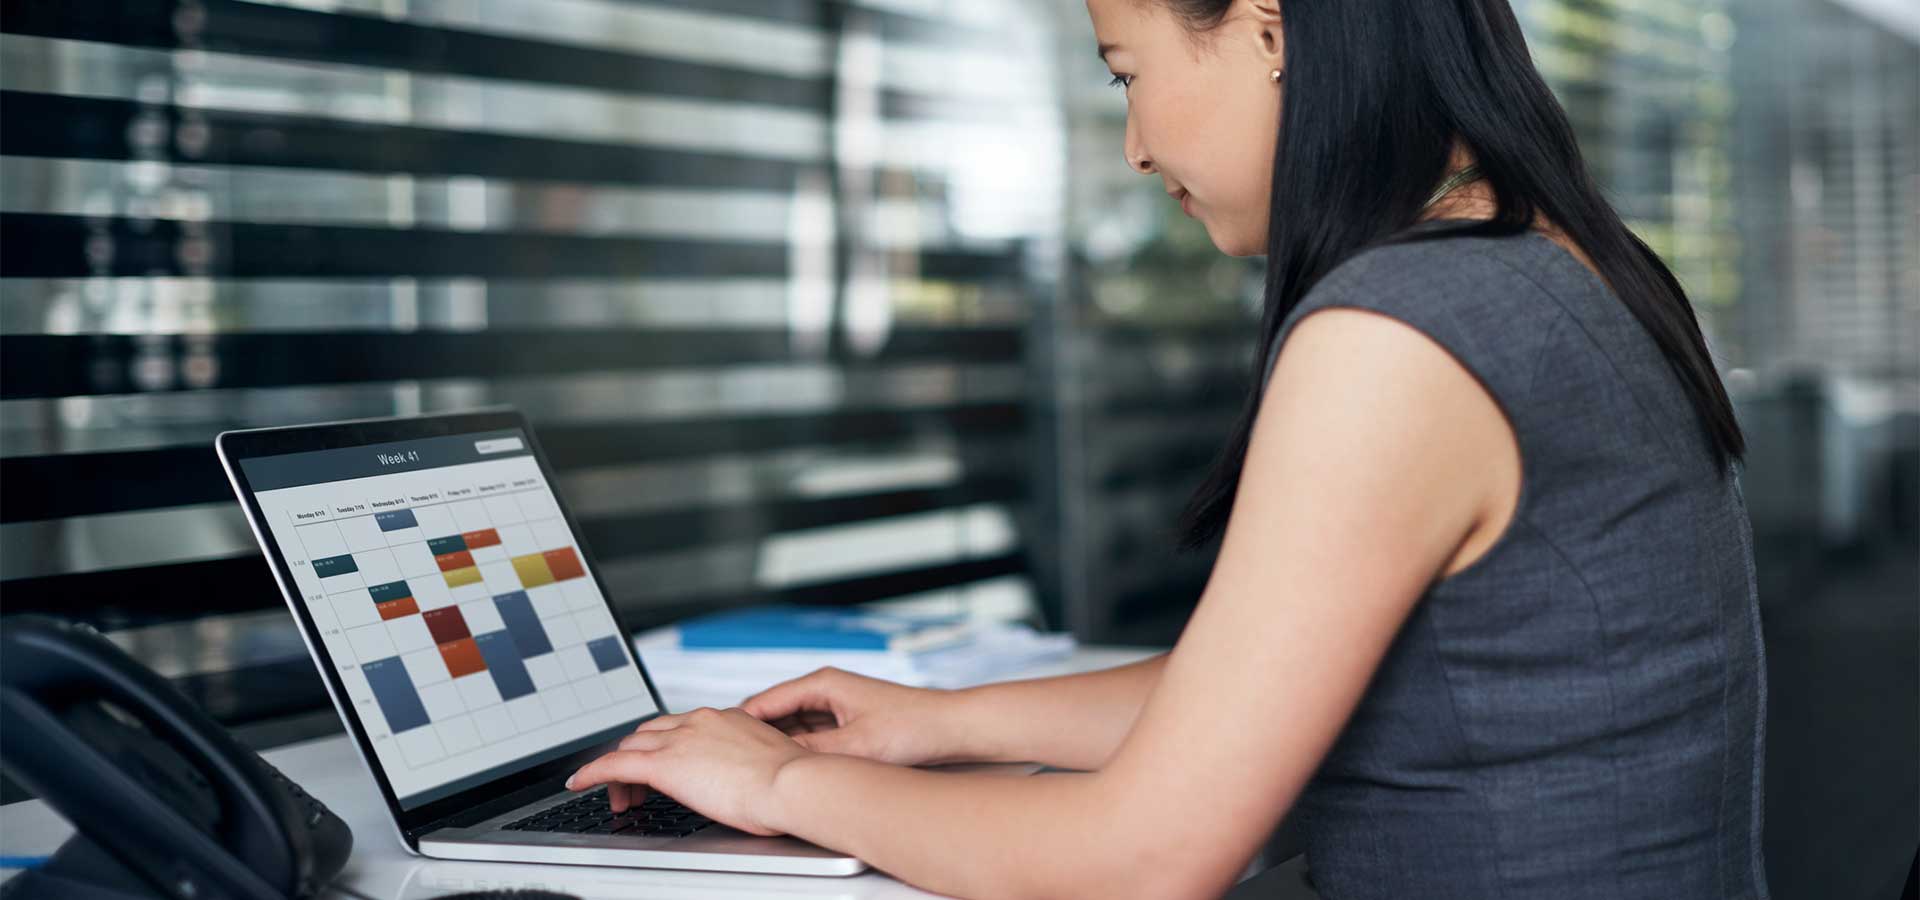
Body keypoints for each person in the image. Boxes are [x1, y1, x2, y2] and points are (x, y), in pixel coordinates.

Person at [566, 1, 1770, 897]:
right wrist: (941, 721)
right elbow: (1301, 688)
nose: (1136, 145)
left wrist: (775, 785)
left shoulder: (1402, 336)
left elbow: (1147, 859)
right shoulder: (1562, 262)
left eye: (1127, 72)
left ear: (1270, 29)